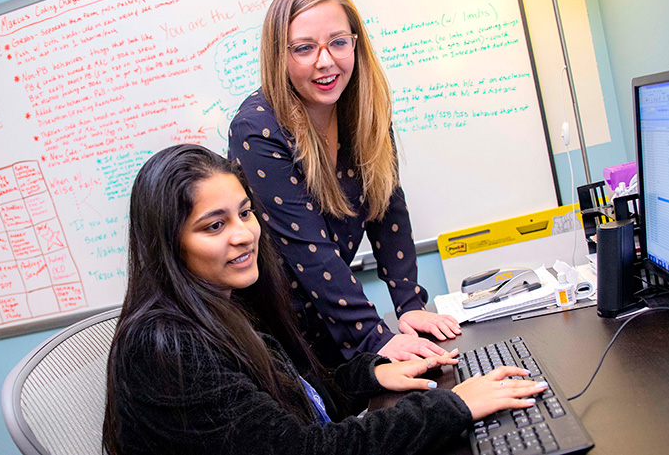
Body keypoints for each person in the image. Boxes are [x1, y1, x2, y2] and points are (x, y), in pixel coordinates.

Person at [102, 144, 546, 455]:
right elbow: (305, 449)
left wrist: (372, 375)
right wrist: (455, 405)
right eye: (214, 226)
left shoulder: (224, 305)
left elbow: (296, 406)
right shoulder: (166, 349)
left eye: (244, 213)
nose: (244, 235)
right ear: (169, 244)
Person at [228, 0, 458, 366]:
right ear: (277, 56)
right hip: (278, 336)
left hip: (335, 323)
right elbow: (306, 248)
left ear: (355, 43)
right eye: (304, 48)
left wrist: (408, 303)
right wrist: (373, 335)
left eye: (338, 42)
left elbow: (387, 208)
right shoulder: (258, 129)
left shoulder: (364, 109)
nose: (325, 61)